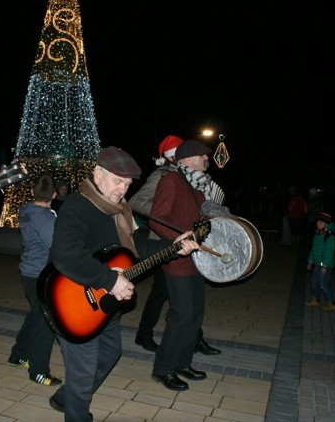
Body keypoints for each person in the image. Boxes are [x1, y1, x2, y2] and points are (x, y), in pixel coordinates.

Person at [47, 146, 199, 421]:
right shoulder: (78, 206)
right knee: (83, 370)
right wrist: (110, 279)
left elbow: (135, 246)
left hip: (106, 304)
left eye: (128, 184)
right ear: (98, 174)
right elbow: (65, 255)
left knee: (111, 353)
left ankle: (63, 398)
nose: (122, 190)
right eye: (118, 182)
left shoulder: (120, 210)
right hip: (73, 302)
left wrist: (172, 246)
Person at [129, 135, 220, 355]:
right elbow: (136, 202)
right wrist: (170, 213)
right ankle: (145, 334)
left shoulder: (193, 178)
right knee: (163, 295)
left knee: (179, 300)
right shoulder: (164, 175)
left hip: (183, 245)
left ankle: (193, 339)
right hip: (163, 242)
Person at [149, 139, 223, 391]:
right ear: (189, 159)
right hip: (179, 259)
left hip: (199, 260)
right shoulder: (171, 180)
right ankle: (163, 369)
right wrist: (177, 239)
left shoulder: (200, 185)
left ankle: (183, 363)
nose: (207, 159)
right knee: (181, 316)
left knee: (195, 315)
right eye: (204, 156)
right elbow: (156, 219)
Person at [8, 174, 62, 386]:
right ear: (54, 194)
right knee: (46, 323)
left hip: (29, 271)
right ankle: (38, 371)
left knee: (36, 315)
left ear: (32, 192)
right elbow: (55, 247)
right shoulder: (46, 218)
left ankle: (18, 355)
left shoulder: (27, 211)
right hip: (42, 274)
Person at [304, 212, 335, 311]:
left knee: (324, 284)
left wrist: (325, 266)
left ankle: (332, 302)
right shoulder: (318, 233)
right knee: (314, 282)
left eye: (321, 222)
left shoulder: (330, 236)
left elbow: (329, 253)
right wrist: (310, 261)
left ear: (326, 224)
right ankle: (315, 299)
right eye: (318, 221)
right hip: (317, 264)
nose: (318, 223)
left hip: (325, 266)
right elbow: (314, 249)